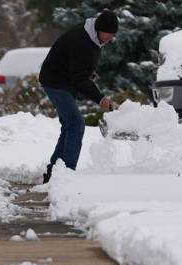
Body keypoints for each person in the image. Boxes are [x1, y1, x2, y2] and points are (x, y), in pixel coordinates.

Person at [39, 10, 119, 184]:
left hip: (64, 81)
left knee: (69, 125)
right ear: (98, 29)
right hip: (55, 82)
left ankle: (53, 174)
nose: (109, 38)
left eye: (112, 35)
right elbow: (78, 80)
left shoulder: (93, 37)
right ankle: (66, 175)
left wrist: (88, 72)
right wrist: (100, 98)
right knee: (76, 124)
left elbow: (78, 68)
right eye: (107, 34)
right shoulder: (81, 40)